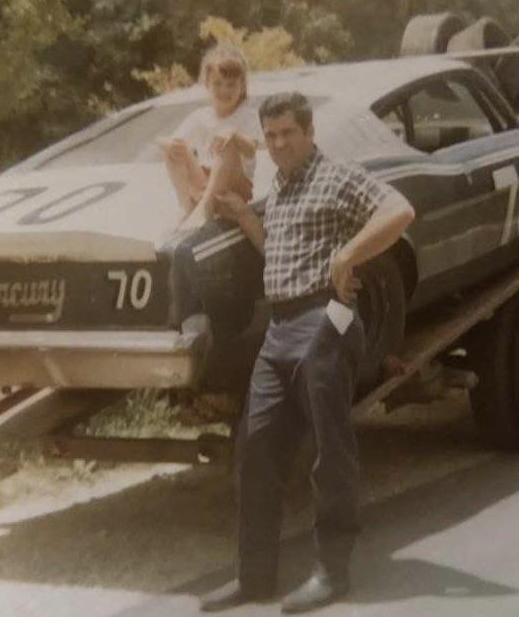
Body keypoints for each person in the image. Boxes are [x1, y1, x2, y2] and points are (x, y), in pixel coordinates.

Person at [201, 92, 415, 613]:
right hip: (278, 330)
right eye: (270, 136)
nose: (277, 144)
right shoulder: (281, 185)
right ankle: (255, 578)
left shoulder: (337, 175)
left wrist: (348, 254)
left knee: (329, 451)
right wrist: (242, 217)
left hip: (326, 319)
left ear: (309, 132)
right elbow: (279, 245)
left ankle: (331, 571)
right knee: (255, 451)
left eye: (287, 134)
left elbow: (400, 210)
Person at [159, 43, 262, 230]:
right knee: (172, 147)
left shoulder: (248, 115)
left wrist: (235, 137)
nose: (224, 90)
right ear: (206, 83)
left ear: (242, 86)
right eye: (217, 84)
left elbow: (251, 149)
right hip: (205, 181)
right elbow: (174, 141)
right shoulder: (200, 116)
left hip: (235, 185)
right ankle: (186, 205)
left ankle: (205, 208)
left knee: (227, 144)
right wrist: (167, 144)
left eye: (231, 85)